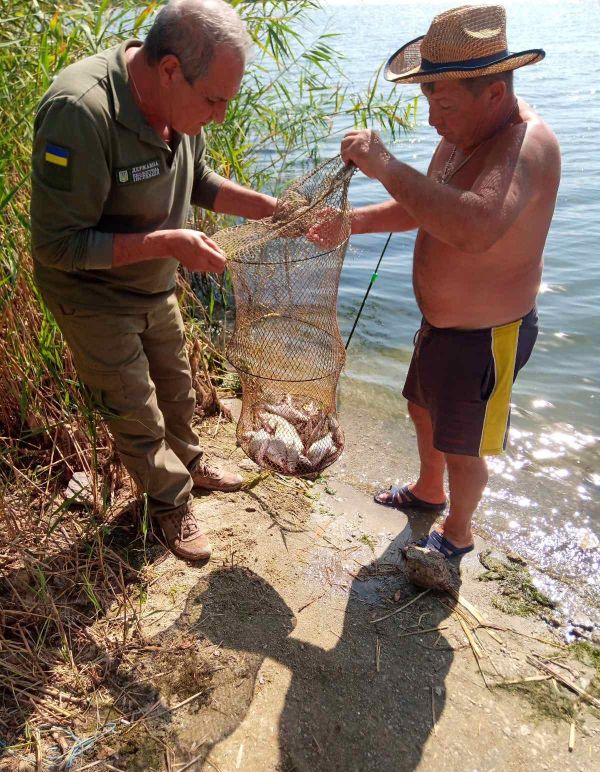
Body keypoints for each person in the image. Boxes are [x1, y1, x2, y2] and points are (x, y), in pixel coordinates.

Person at [30, 0, 278, 561]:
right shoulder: (80, 111)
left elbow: (199, 179)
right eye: (213, 100)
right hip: (91, 295)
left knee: (177, 387)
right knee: (136, 410)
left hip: (153, 281)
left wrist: (269, 208)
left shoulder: (180, 107)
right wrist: (168, 243)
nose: (219, 116)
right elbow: (57, 246)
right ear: (169, 69)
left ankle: (190, 462)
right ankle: (170, 503)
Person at [312, 4, 560, 557]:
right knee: (422, 408)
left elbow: (473, 226)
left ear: (493, 93)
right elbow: (426, 205)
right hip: (440, 326)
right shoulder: (464, 132)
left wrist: (385, 164)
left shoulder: (525, 146)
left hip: (486, 337)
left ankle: (457, 536)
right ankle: (429, 491)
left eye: (442, 104)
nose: (432, 120)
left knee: (464, 446)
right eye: (428, 101)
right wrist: (351, 223)